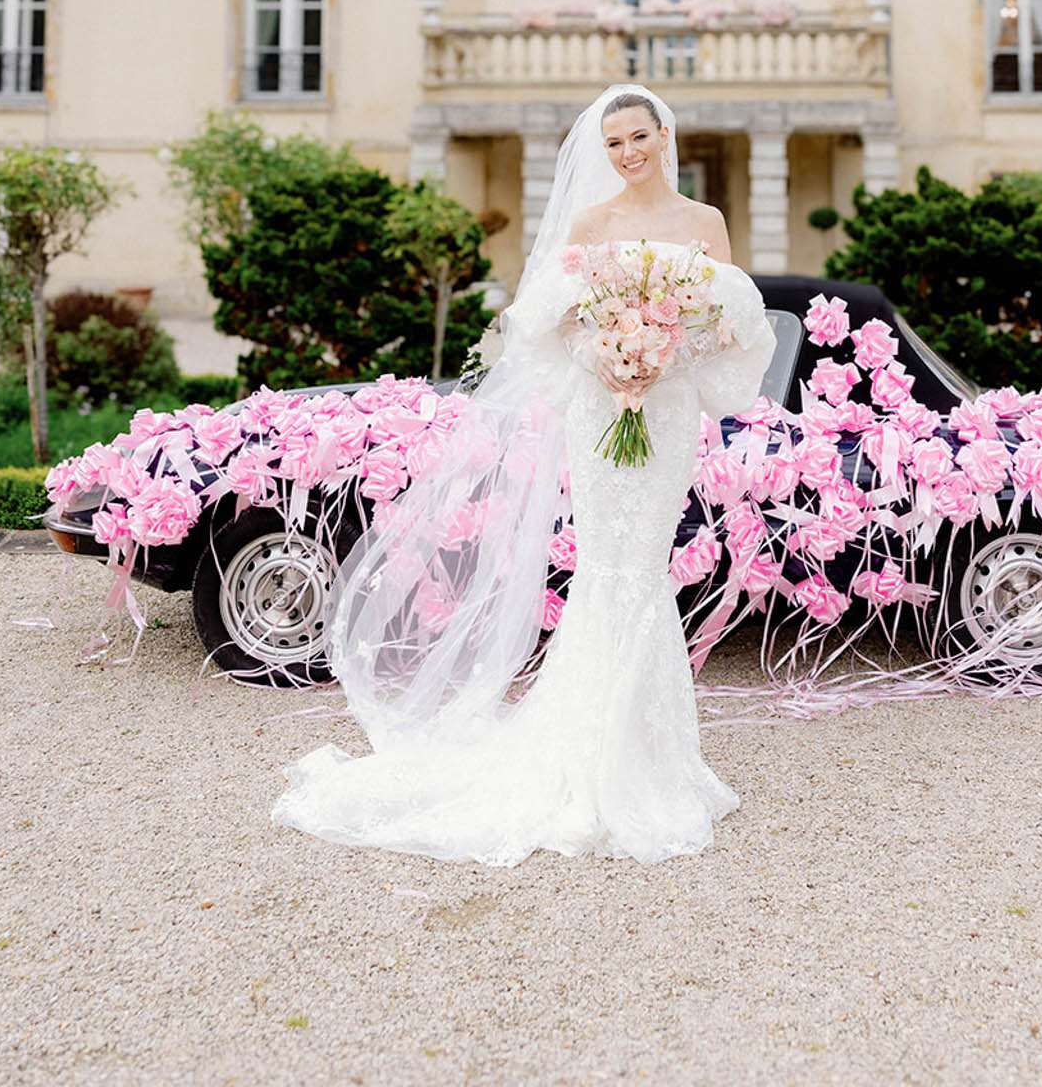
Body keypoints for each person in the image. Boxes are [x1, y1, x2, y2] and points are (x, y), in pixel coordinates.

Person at [271, 83, 775, 865]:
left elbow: (726, 323)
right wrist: (608, 361)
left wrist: (662, 358)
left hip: (667, 410)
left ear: (665, 135)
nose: (628, 153)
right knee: (609, 566)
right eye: (614, 143)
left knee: (645, 565)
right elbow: (550, 323)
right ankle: (590, 754)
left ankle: (652, 754)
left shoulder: (704, 224)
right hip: (603, 412)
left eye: (639, 137)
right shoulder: (592, 224)